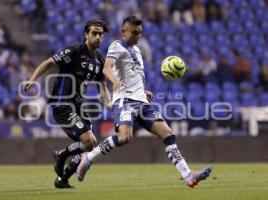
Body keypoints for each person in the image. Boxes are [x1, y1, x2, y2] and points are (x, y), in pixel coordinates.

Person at [76, 16, 212, 188]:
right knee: (125, 138)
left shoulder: (138, 51)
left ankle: (187, 175)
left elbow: (134, 76)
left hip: (141, 101)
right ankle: (88, 158)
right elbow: (106, 68)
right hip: (124, 100)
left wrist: (143, 92)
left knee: (168, 134)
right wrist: (115, 81)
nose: (137, 36)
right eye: (134, 32)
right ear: (123, 31)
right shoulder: (116, 46)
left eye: (140, 33)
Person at [23, 19, 111, 189]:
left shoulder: (100, 61)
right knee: (89, 141)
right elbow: (48, 63)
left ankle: (62, 180)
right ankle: (62, 155)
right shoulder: (74, 51)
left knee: (89, 149)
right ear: (86, 34)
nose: (98, 37)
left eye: (101, 34)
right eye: (94, 33)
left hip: (78, 107)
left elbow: (103, 88)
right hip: (62, 104)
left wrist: (109, 104)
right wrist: (32, 80)